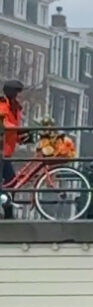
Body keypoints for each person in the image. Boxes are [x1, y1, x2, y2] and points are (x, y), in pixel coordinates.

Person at [0, 80, 25, 219]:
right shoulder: (2, 104)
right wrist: (18, 129)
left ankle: (9, 215)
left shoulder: (16, 108)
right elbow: (3, 123)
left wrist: (22, 136)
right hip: (1, 150)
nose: (17, 95)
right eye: (15, 92)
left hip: (7, 151)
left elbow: (13, 130)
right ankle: (8, 215)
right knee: (8, 182)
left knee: (11, 182)